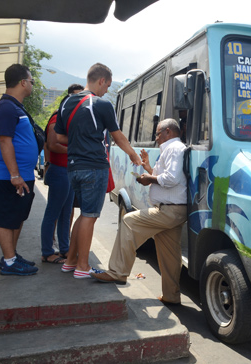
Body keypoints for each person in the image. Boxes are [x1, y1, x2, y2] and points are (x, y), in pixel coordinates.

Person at [55, 63, 141, 279]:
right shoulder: (101, 104)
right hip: (94, 166)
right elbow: (117, 135)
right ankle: (83, 266)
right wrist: (133, 154)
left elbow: (59, 137)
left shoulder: (66, 104)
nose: (106, 90)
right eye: (107, 85)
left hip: (73, 167)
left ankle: (71, 261)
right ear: (101, 80)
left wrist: (79, 141)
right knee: (90, 216)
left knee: (83, 215)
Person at [91, 118, 187, 305]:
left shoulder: (174, 148)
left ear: (168, 132)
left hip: (169, 211)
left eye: (158, 133)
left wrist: (148, 179)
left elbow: (171, 179)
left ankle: (117, 272)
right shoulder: (171, 149)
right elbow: (164, 176)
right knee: (169, 255)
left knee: (128, 221)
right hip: (172, 210)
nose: (156, 137)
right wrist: (148, 168)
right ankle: (171, 296)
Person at [0, 64, 38, 276]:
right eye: (32, 81)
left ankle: (11, 256)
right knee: (6, 217)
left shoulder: (15, 107)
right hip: (8, 176)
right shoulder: (6, 108)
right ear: (23, 82)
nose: (32, 85)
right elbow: (4, 141)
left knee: (17, 216)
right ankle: (9, 262)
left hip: (22, 175)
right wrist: (15, 175)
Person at [40, 84, 84, 264]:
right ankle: (47, 251)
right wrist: (75, 149)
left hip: (68, 171)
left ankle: (65, 249)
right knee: (53, 213)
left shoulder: (69, 120)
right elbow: (51, 144)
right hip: (59, 171)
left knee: (66, 213)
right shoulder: (57, 118)